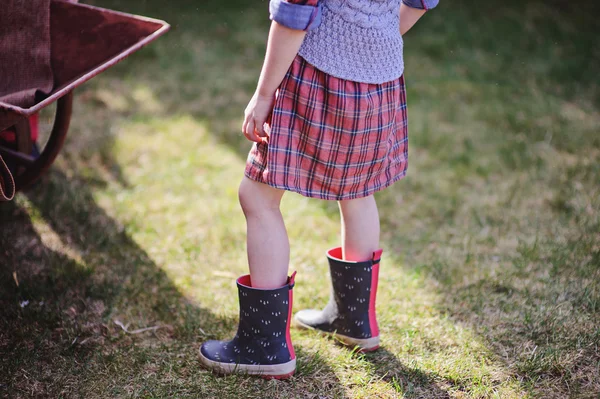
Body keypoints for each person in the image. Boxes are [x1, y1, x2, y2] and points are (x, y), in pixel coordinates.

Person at [199, 0, 439, 379]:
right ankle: (354, 322)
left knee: (257, 196)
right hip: (380, 80)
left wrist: (263, 95)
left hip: (318, 74)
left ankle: (265, 347)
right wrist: (376, 36)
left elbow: (295, 14)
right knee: (357, 191)